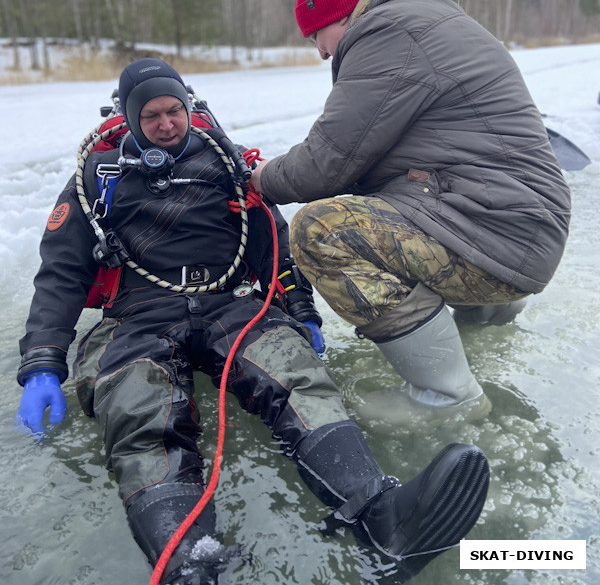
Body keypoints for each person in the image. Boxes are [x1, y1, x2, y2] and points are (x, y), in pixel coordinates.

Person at [15, 58, 490, 585]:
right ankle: (188, 563)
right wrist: (42, 363)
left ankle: (382, 517)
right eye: (152, 115)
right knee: (141, 416)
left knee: (299, 381)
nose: (167, 123)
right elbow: (59, 273)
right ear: (130, 118)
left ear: (188, 106)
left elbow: (273, 243)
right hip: (137, 317)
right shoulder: (93, 179)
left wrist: (301, 311)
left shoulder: (228, 162)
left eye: (174, 109)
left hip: (230, 304)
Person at [251, 0, 571, 422]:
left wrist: (257, 178)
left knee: (321, 231)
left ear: (341, 12)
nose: (320, 51)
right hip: (518, 223)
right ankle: (485, 319)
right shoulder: (427, 20)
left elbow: (325, 163)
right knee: (382, 205)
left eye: (316, 34)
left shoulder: (388, 32)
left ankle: (446, 396)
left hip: (500, 233)